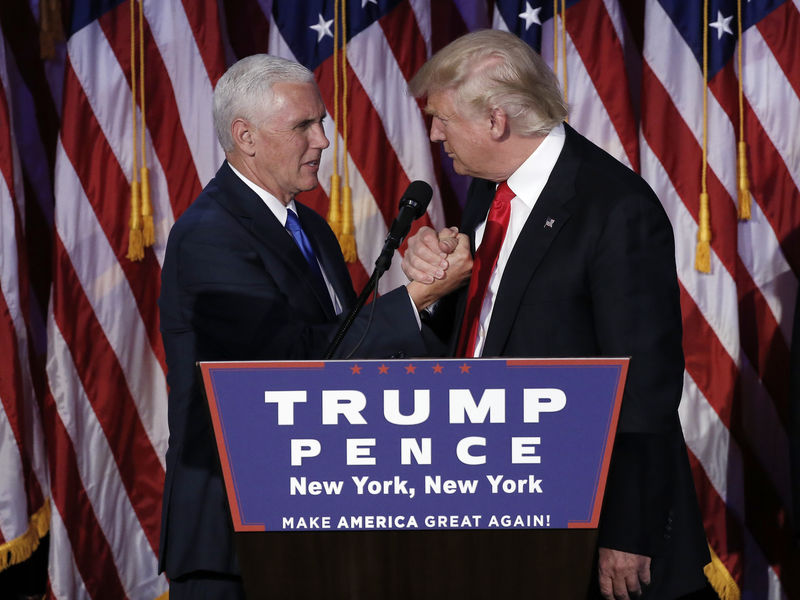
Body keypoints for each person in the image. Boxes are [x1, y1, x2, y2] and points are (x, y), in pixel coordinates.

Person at [402, 30, 710, 599]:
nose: (434, 133)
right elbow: (481, 336)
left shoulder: (613, 208)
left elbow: (644, 385)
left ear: (496, 121)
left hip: (584, 522)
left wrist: (628, 530)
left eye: (442, 117)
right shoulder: (486, 193)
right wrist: (437, 289)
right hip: (494, 499)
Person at [157, 54, 470, 598]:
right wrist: (412, 301)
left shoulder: (312, 228)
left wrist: (435, 293)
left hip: (313, 522)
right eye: (303, 125)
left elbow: (355, 357)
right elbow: (283, 367)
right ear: (245, 137)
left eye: (321, 121)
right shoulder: (209, 235)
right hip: (239, 539)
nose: (324, 140)